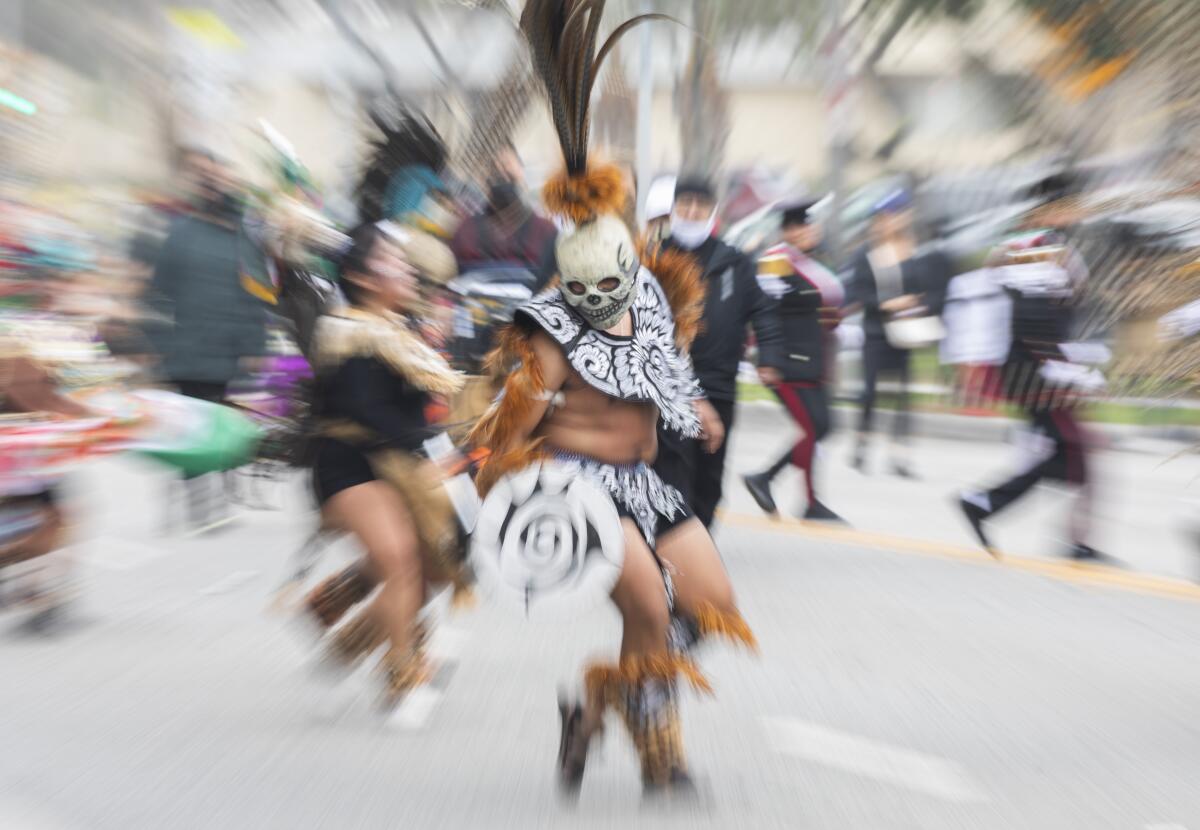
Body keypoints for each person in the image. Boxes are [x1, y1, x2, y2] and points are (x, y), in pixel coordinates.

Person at [469, 0, 757, 796]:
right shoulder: (549, 331)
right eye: (583, 284)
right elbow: (507, 428)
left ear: (632, 267)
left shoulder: (656, 299)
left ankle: (594, 712)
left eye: (613, 283)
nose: (600, 296)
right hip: (583, 491)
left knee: (710, 604)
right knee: (651, 612)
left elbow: (667, 368)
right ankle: (663, 758)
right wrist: (487, 483)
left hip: (649, 482)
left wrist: (693, 408)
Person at [302, 223, 469, 707]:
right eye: (394, 262)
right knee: (399, 559)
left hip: (398, 468)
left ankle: (347, 613)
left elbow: (420, 410)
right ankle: (401, 669)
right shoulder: (344, 331)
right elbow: (366, 412)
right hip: (348, 467)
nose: (407, 270)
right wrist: (433, 449)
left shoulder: (404, 333)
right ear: (365, 277)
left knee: (439, 566)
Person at [957, 176, 1105, 561]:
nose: (1078, 213)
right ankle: (985, 503)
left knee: (1074, 456)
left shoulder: (1046, 247)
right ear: (1050, 211)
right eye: (1071, 205)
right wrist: (1059, 365)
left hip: (1039, 367)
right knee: (1074, 452)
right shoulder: (1034, 249)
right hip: (1033, 370)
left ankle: (988, 504)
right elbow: (1031, 316)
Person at [145, 149, 267, 530]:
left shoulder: (212, 236)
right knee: (206, 425)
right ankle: (206, 506)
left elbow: (255, 295)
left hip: (203, 350)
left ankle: (195, 502)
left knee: (196, 426)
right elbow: (160, 292)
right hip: (204, 350)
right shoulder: (207, 237)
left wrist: (255, 346)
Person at [655, 178, 784, 528]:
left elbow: (763, 310)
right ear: (673, 208)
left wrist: (769, 357)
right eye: (685, 204)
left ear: (712, 211)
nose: (692, 212)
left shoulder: (734, 262)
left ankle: (701, 543)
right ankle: (672, 545)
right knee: (671, 469)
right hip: (666, 385)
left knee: (709, 476)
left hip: (719, 382)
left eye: (700, 205)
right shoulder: (653, 256)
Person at [742, 200, 846, 521]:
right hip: (785, 363)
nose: (808, 231)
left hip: (813, 362)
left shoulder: (814, 261)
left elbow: (821, 309)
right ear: (787, 231)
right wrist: (767, 360)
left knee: (823, 427)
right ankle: (806, 500)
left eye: (810, 225)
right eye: (800, 226)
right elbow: (765, 311)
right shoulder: (776, 262)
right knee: (813, 427)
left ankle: (766, 479)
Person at [844, 190, 951, 478]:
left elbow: (930, 290)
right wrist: (886, 303)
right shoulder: (867, 254)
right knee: (870, 393)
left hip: (904, 333)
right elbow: (857, 293)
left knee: (902, 396)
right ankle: (861, 447)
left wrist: (920, 304)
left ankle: (900, 456)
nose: (893, 221)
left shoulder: (915, 252)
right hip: (876, 332)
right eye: (888, 217)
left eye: (899, 215)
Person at [449, 142, 558, 286]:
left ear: (522, 174)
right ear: (483, 181)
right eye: (494, 168)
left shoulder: (545, 231)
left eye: (507, 168)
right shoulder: (467, 230)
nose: (501, 172)